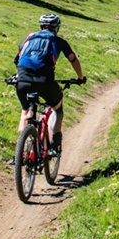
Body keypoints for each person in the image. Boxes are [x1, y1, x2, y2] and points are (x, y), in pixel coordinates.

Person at [13, 13, 85, 155]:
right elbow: (73, 59)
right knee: (58, 108)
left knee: (25, 110)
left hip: (23, 81)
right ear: (56, 28)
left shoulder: (27, 39)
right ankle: (54, 145)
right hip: (45, 82)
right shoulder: (58, 41)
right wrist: (80, 77)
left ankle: (20, 152)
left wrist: (19, 76)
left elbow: (18, 61)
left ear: (41, 26)